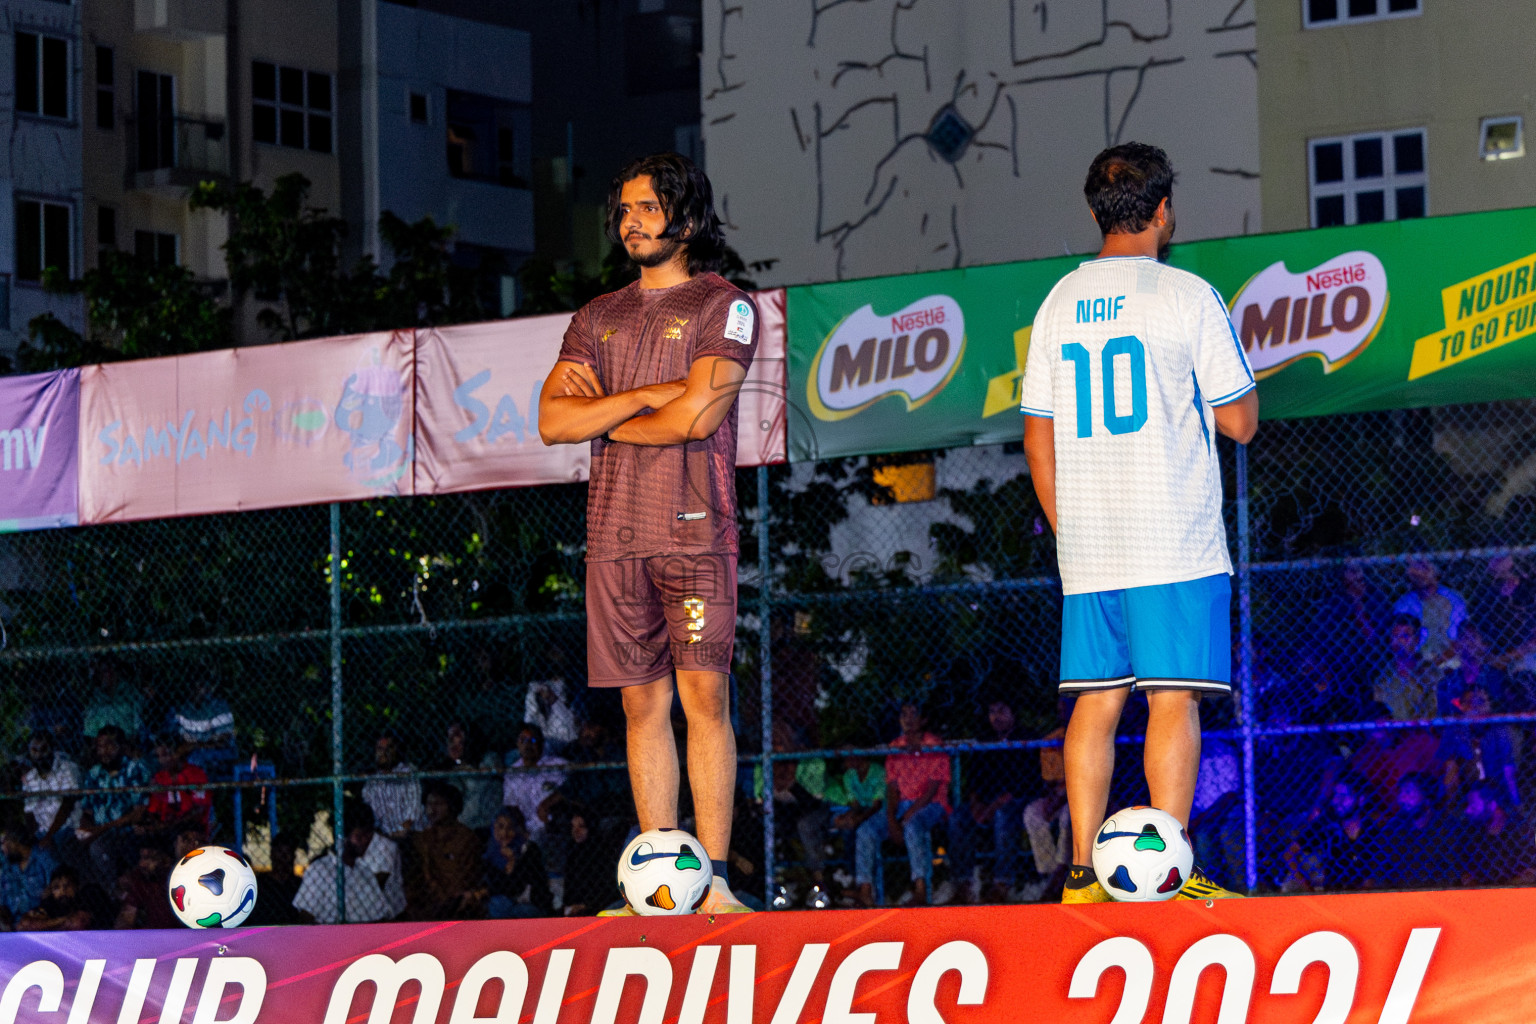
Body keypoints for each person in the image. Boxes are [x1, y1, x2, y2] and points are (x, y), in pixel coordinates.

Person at [1020, 142, 1258, 904]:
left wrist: (1070, 531)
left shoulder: (1057, 302)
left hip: (1091, 545)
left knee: (1096, 700)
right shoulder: (1188, 296)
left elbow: (1037, 434)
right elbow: (1241, 422)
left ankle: (1084, 877)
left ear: (1094, 213)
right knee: (1172, 698)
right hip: (1174, 536)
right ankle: (1168, 869)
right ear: (1164, 211)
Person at [538, 151, 759, 916]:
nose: (629, 222)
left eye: (645, 208)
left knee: (705, 700)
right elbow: (552, 420)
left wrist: (611, 411)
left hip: (696, 537)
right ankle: (658, 885)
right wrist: (651, 397)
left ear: (687, 219)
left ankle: (718, 880)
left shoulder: (725, 305)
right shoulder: (596, 316)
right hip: (614, 539)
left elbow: (701, 415)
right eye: (623, 210)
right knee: (640, 710)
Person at [854, 702, 950, 907]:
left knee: (913, 827)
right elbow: (892, 787)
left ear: (923, 720)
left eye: (912, 714)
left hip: (930, 804)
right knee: (866, 831)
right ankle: (865, 890)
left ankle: (921, 888)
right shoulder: (896, 746)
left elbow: (932, 789)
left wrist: (907, 817)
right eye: (903, 715)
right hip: (901, 805)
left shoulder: (934, 744)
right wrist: (891, 818)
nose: (907, 719)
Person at [948, 696, 1035, 903]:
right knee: (958, 817)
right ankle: (964, 884)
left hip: (1017, 800)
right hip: (987, 802)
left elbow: (1025, 783)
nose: (997, 717)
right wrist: (977, 804)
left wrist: (993, 807)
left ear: (1013, 713)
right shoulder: (985, 739)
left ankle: (1003, 883)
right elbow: (974, 781)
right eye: (992, 711)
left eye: (1002, 710)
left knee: (1003, 816)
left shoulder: (1026, 737)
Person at [292, 802, 406, 923]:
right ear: (344, 836)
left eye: (368, 835)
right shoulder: (321, 869)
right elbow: (305, 916)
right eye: (360, 836)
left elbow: (379, 915)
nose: (366, 841)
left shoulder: (364, 871)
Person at [72, 725, 152, 889]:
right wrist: (85, 828)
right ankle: (107, 893)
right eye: (100, 746)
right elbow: (87, 810)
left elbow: (138, 812)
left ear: (121, 747)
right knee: (74, 843)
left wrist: (102, 829)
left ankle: (121, 891)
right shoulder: (94, 773)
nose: (103, 751)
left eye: (109, 746)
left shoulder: (133, 768)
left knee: (100, 846)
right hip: (101, 831)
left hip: (127, 830)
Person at [412, 782, 485, 920]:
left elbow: (468, 877)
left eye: (438, 804)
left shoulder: (467, 838)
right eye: (429, 804)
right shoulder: (422, 838)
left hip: (456, 902)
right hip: (428, 901)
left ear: (452, 807)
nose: (431, 810)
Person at [431, 721, 502, 835]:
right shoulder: (451, 769)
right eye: (449, 738)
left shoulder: (488, 759)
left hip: (489, 822)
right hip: (463, 825)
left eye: (457, 736)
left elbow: (482, 790)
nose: (452, 742)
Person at [1392, 560, 1468, 666]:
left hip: (1451, 659)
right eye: (1416, 568)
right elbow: (1401, 643)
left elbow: (1460, 639)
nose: (1420, 573)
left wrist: (1436, 663)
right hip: (1416, 662)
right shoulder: (1404, 604)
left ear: (1435, 573)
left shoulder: (1454, 600)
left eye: (1424, 568)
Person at [483, 807, 553, 919]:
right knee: (499, 903)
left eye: (510, 828)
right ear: (493, 826)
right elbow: (496, 887)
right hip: (502, 904)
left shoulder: (529, 850)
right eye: (500, 827)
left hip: (528, 904)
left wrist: (512, 861)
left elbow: (516, 888)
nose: (504, 833)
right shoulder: (490, 852)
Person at [142, 735, 213, 843]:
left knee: (185, 836)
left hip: (190, 826)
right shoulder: (159, 777)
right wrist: (155, 825)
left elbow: (198, 811)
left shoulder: (195, 774)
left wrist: (170, 825)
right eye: (157, 756)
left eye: (166, 754)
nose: (161, 760)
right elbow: (154, 810)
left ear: (178, 754)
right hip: (166, 827)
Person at [1372, 614, 1442, 722]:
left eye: (1406, 635)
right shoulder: (1382, 675)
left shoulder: (1430, 671)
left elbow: (1435, 708)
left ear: (1417, 639)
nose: (1400, 640)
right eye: (1396, 635)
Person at [19, 732, 81, 849]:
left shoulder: (67, 768)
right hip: (42, 832)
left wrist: (49, 836)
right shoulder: (29, 778)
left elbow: (67, 806)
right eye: (34, 750)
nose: (39, 755)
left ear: (52, 748)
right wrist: (31, 836)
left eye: (43, 749)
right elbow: (29, 812)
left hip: (67, 828)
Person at [361, 733, 422, 840]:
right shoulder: (372, 781)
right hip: (382, 838)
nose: (383, 752)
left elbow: (413, 813)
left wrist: (399, 833)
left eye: (389, 748)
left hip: (408, 835)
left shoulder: (408, 773)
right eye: (380, 748)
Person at [18, 865, 111, 931]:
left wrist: (45, 925)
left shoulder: (88, 894)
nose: (62, 891)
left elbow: (78, 924)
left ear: (76, 886)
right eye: (56, 888)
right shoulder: (51, 902)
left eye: (67, 886)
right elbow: (24, 924)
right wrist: (63, 920)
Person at [560, 810, 616, 916]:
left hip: (600, 905)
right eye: (573, 826)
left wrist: (586, 905)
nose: (575, 831)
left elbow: (607, 890)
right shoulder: (572, 853)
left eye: (581, 826)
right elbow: (569, 889)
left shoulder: (603, 853)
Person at [0, 828, 59, 927]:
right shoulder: (7, 867)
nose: (2, 848)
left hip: (39, 918)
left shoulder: (42, 858)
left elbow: (55, 884)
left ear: (14, 842)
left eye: (4, 842)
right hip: (11, 922)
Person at [112, 841, 178, 929]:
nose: (142, 864)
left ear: (166, 860)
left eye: (150, 858)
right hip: (153, 937)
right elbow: (126, 920)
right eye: (142, 858)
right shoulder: (140, 880)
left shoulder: (179, 880)